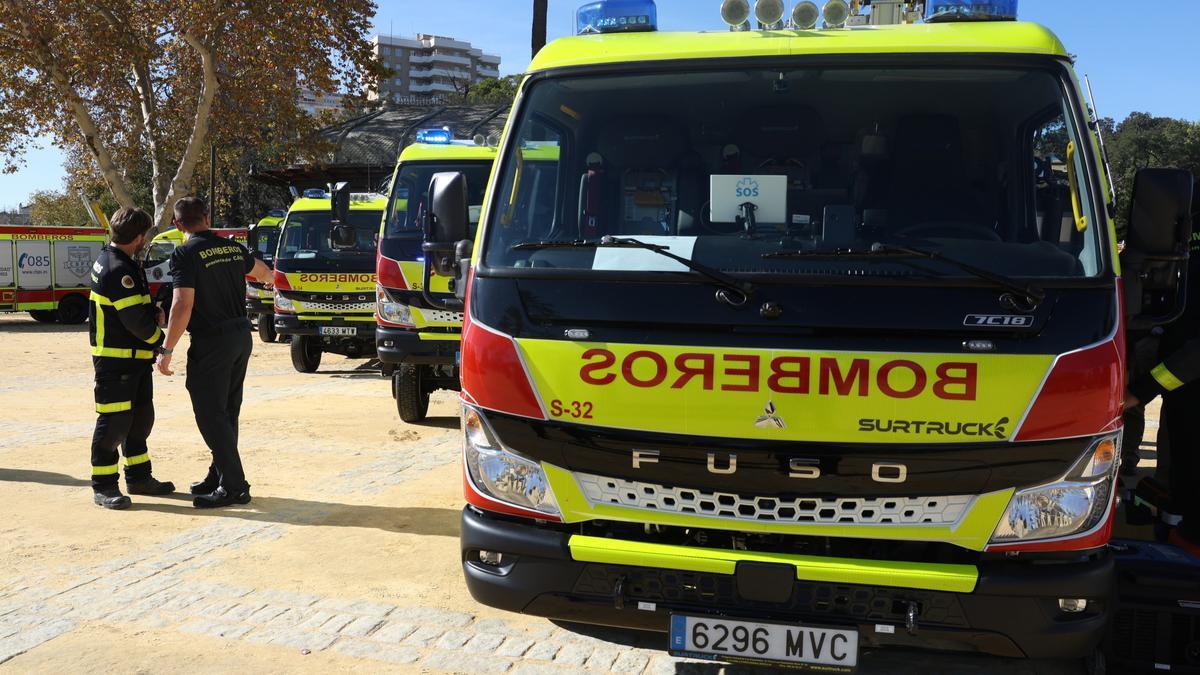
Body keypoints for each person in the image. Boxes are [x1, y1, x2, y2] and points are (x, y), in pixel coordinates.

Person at [156, 197, 273, 508]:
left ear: (178, 225)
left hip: (212, 342)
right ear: (207, 218)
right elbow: (264, 272)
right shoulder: (233, 248)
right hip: (240, 336)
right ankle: (219, 474)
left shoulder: (184, 254)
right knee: (227, 411)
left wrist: (167, 349)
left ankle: (234, 486)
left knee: (210, 413)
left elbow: (182, 304)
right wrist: (269, 280)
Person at [89, 207, 175, 509]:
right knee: (114, 424)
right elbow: (134, 321)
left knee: (140, 421)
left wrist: (152, 312)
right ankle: (103, 486)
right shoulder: (116, 268)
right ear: (138, 237)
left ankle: (139, 477)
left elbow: (133, 309)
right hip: (116, 362)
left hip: (135, 360)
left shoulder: (121, 261)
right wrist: (161, 341)